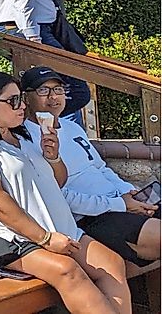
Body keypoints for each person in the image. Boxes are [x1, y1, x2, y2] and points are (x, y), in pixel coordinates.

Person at [0, 70, 130, 314]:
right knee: (68, 271)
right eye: (13, 101)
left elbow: (57, 183)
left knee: (112, 263)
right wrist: (44, 238)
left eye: (21, 98)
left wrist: (53, 158)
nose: (22, 106)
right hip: (6, 238)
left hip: (57, 229)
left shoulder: (22, 137)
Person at [21, 66, 159, 267]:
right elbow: (60, 196)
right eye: (43, 91)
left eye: (58, 90)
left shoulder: (72, 127)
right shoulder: (27, 140)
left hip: (120, 203)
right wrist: (121, 205)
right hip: (92, 218)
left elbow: (100, 167)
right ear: (26, 98)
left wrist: (127, 191)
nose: (53, 97)